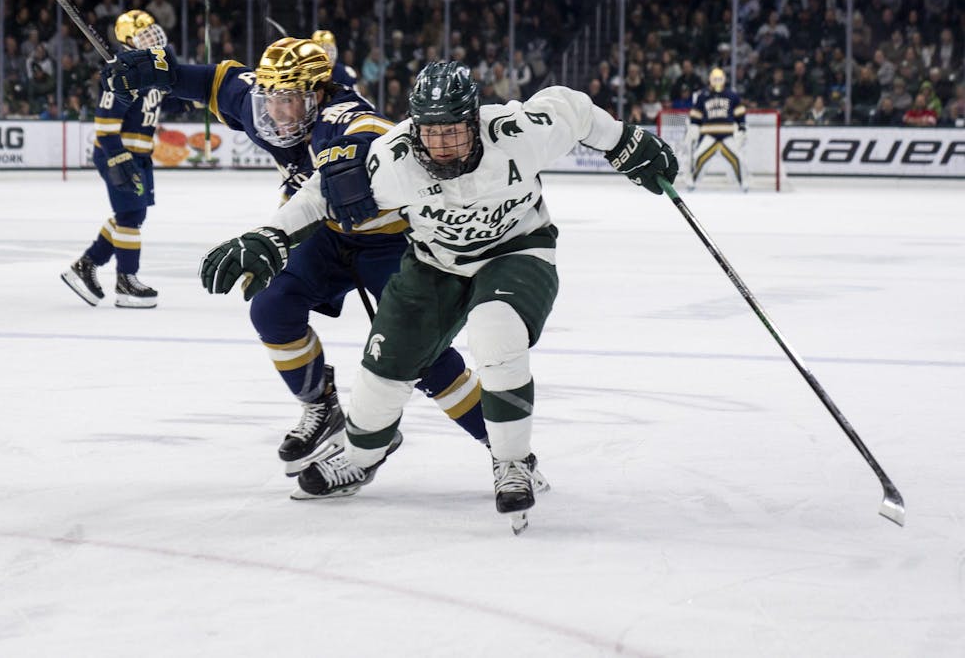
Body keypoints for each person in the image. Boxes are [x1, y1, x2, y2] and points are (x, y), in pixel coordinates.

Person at [193, 60, 678, 532]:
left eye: (454, 130)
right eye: (431, 130)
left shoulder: (517, 132)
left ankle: (512, 462)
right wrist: (270, 235)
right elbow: (324, 190)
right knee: (382, 375)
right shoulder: (395, 157)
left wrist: (624, 141)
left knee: (496, 332)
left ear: (474, 120)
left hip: (516, 251)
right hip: (433, 263)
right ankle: (361, 458)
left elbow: (570, 109)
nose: (442, 143)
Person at [102, 38, 494, 495]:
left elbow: (370, 134)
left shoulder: (343, 117)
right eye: (272, 100)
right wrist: (156, 71)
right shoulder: (262, 101)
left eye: (291, 100)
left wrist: (344, 170)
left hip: (391, 242)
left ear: (319, 92)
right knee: (271, 307)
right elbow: (211, 81)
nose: (279, 113)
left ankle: (505, 449)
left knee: (425, 357)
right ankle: (322, 407)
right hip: (326, 235)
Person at [61, 10, 171, 309]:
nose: (152, 38)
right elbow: (106, 123)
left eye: (152, 31)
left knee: (133, 216)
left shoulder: (153, 68)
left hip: (139, 154)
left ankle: (85, 266)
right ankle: (126, 280)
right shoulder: (123, 71)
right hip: (119, 152)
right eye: (143, 35)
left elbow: (166, 100)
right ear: (127, 41)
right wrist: (118, 158)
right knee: (130, 218)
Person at [684, 67, 748, 191]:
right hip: (709, 134)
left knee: (737, 159)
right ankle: (692, 181)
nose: (718, 81)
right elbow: (696, 114)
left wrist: (742, 128)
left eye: (720, 79)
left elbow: (740, 113)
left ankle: (743, 182)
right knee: (698, 157)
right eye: (715, 79)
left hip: (727, 134)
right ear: (710, 80)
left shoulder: (732, 95)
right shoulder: (703, 95)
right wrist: (694, 127)